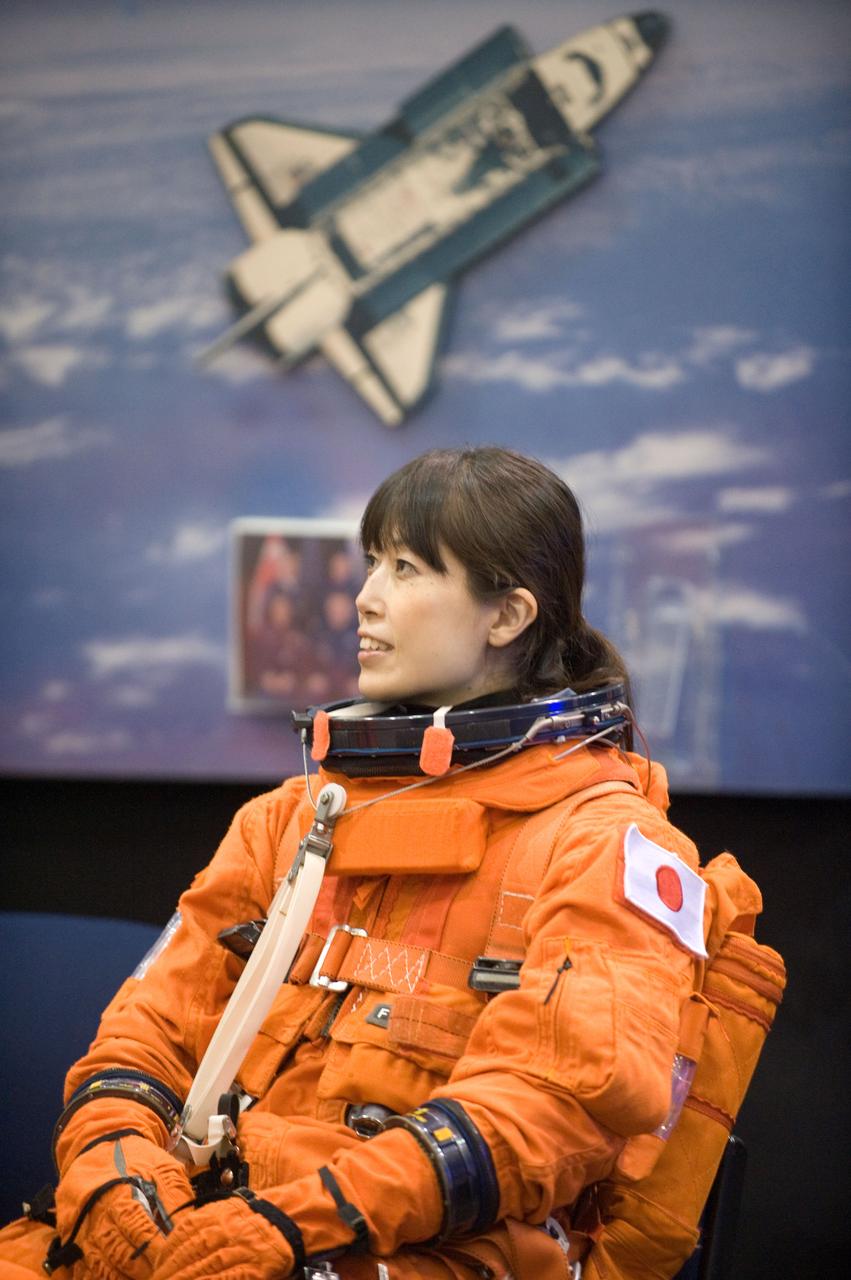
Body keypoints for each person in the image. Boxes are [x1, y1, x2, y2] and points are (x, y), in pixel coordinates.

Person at [0, 447, 784, 1280]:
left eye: (406, 569)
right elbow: (146, 1032)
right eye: (373, 561)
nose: (364, 598)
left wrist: (296, 1226)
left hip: (406, 1251)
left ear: (507, 615)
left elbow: (550, 1109)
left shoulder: (603, 844)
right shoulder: (290, 820)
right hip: (199, 1227)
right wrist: (114, 1175)